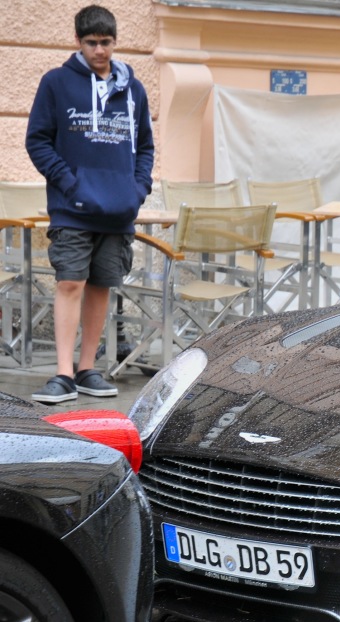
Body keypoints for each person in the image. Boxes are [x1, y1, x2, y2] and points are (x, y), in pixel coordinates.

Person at [25, 4, 153, 405]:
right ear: (78, 42)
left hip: (118, 209)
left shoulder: (133, 89)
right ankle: (62, 374)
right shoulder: (57, 83)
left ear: (115, 42)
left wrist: (138, 190)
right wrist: (69, 183)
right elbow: (37, 141)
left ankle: (87, 369)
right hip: (72, 207)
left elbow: (146, 146)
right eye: (92, 42)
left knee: (100, 286)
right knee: (70, 282)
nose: (100, 50)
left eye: (107, 43)